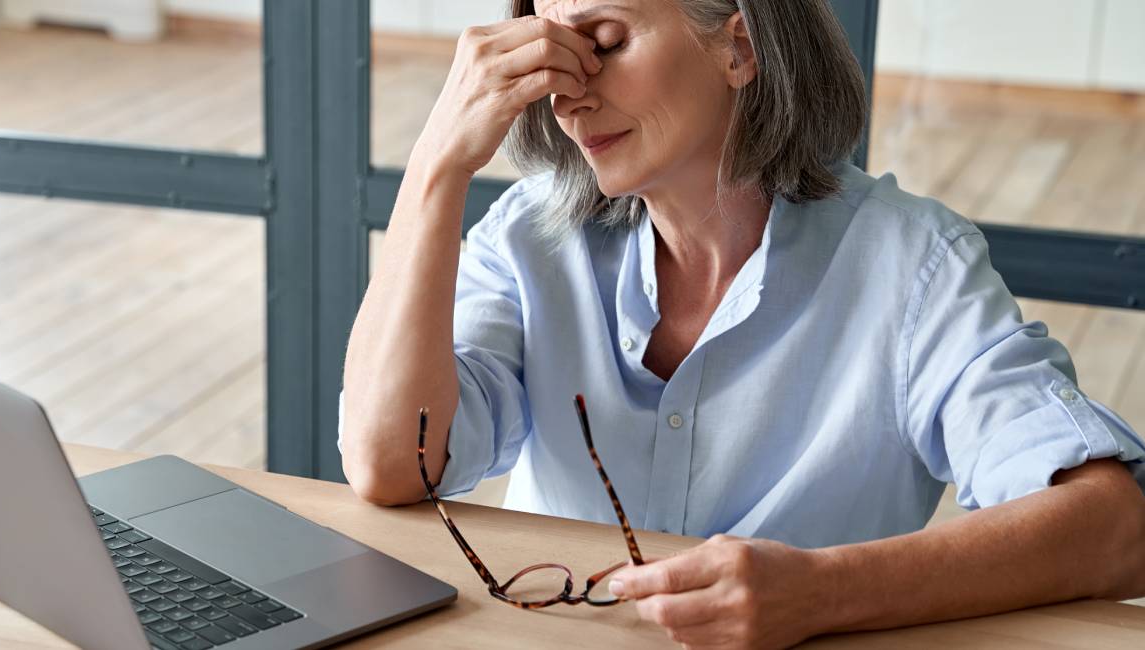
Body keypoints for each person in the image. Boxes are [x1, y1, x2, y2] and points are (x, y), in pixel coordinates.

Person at [337, 0, 1145, 646]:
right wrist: (438, 163)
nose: (567, 93)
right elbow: (389, 466)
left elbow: (1115, 528)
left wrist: (823, 593)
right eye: (550, 54)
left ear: (740, 48)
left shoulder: (911, 266)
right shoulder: (528, 237)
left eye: (605, 43)